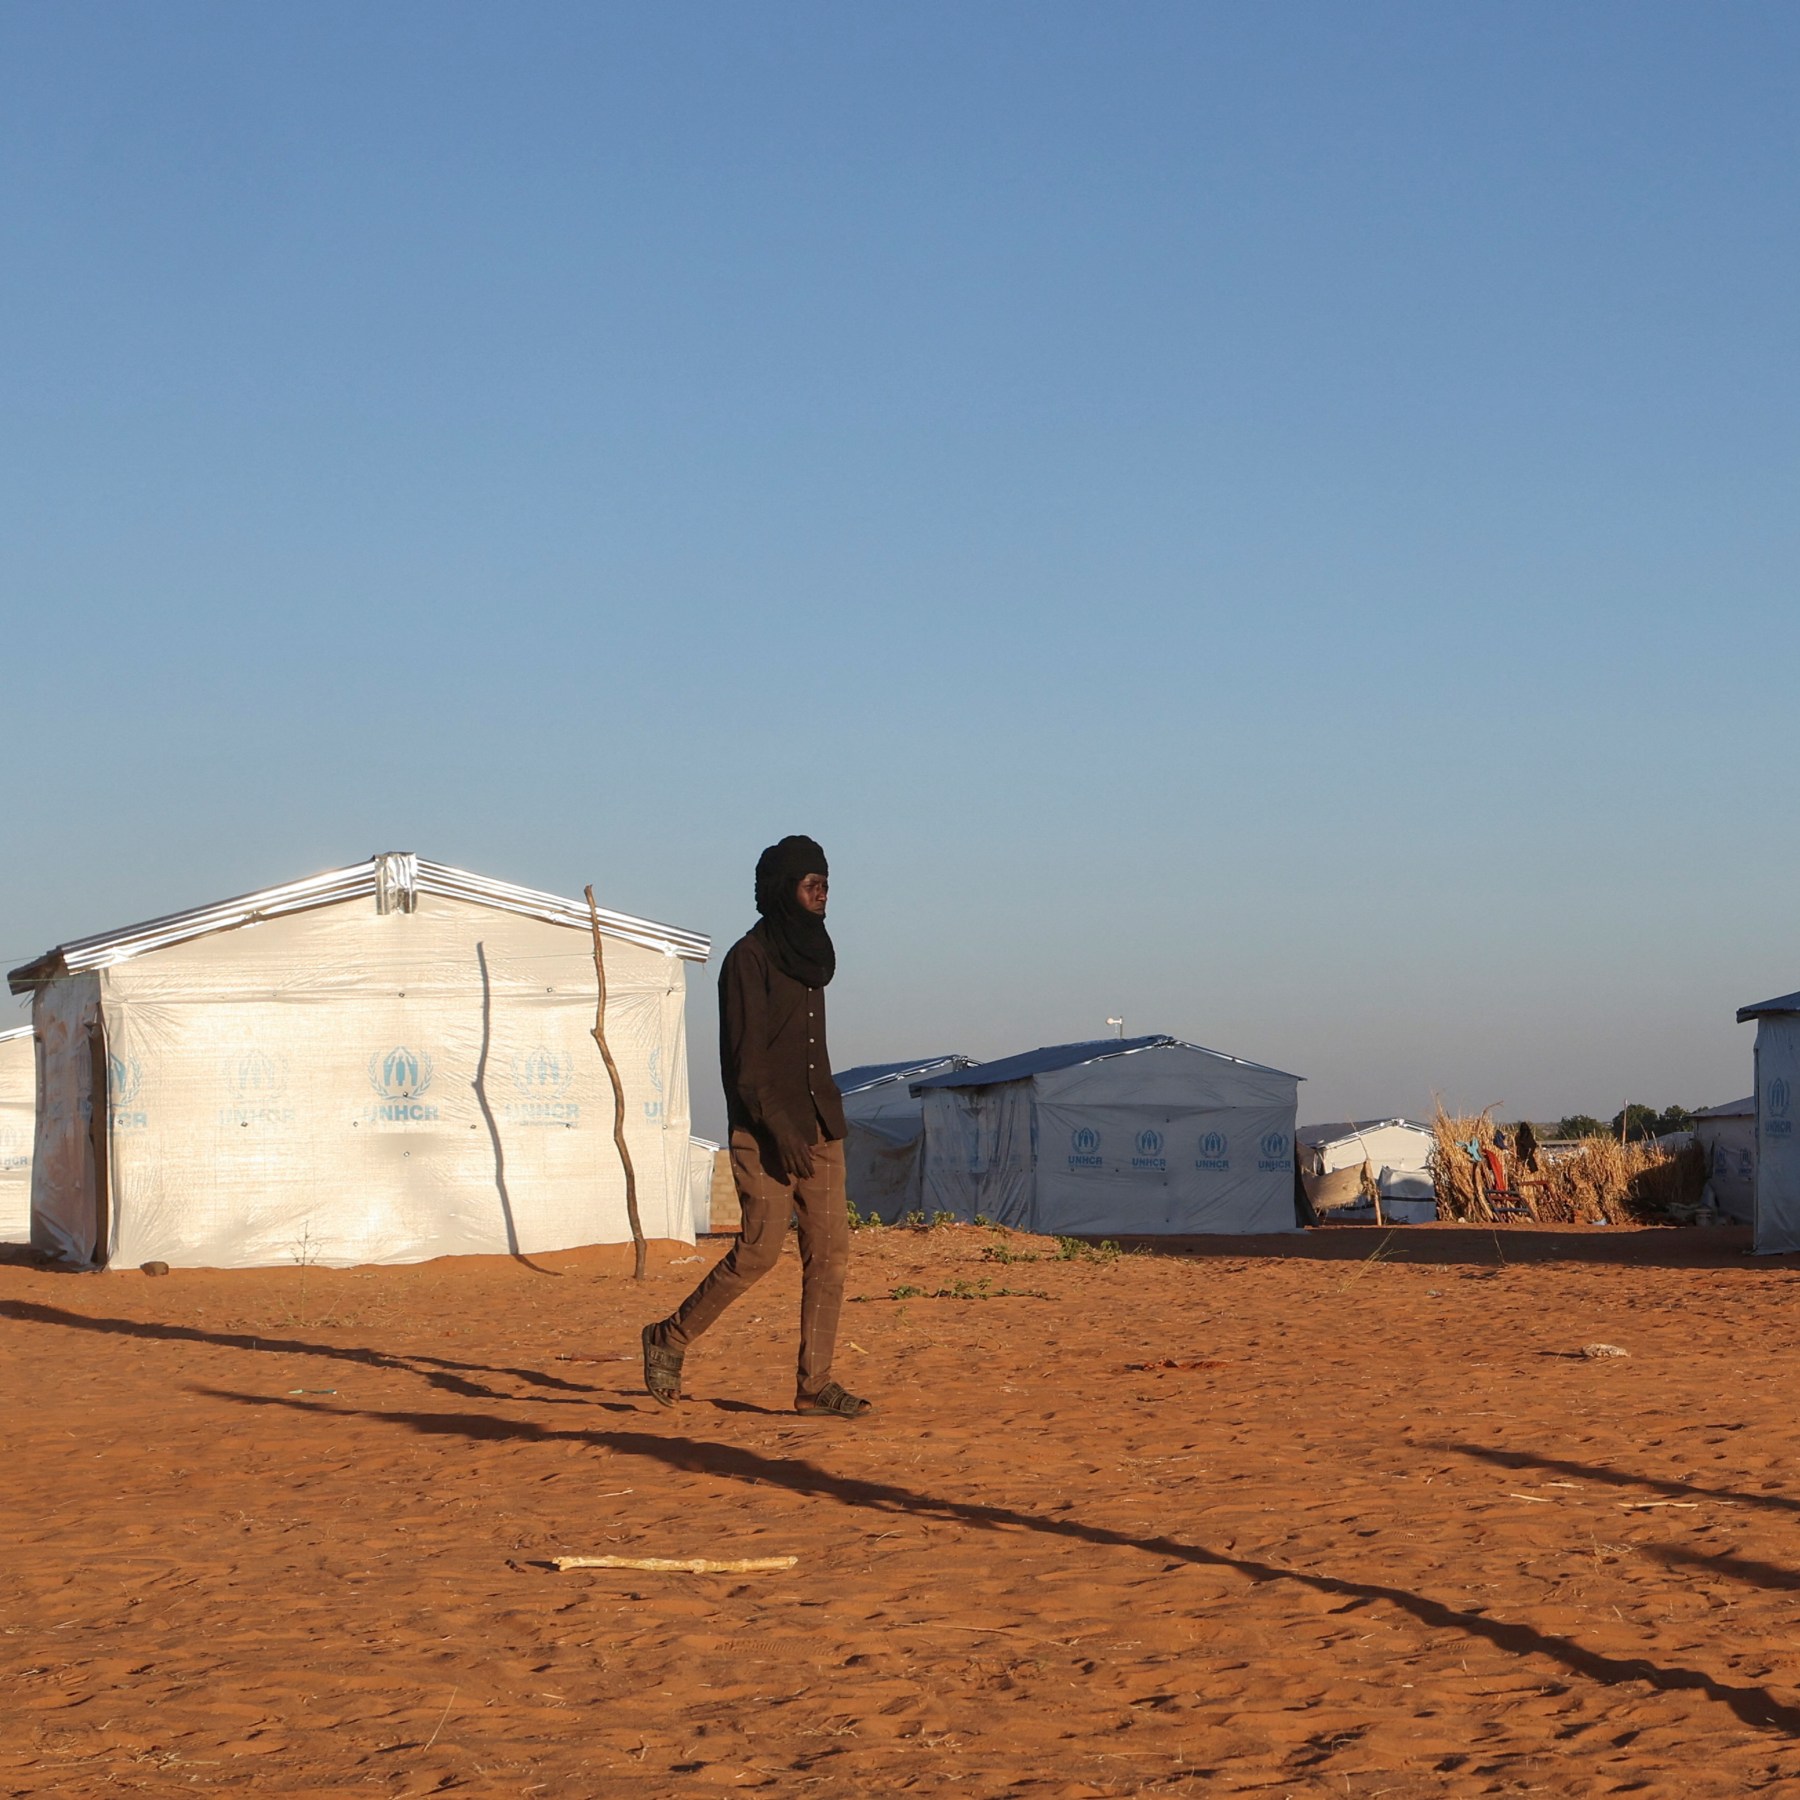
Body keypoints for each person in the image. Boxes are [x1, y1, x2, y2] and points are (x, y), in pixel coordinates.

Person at [641, 835, 871, 1419]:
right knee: (759, 1251)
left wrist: (812, 1127)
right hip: (767, 1132)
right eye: (810, 884)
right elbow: (746, 1064)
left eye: (825, 884)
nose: (821, 894)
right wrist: (781, 1131)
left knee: (830, 1256)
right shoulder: (749, 958)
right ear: (782, 889)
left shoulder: (812, 953)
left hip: (820, 1125)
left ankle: (815, 1385)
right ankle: (669, 1336)